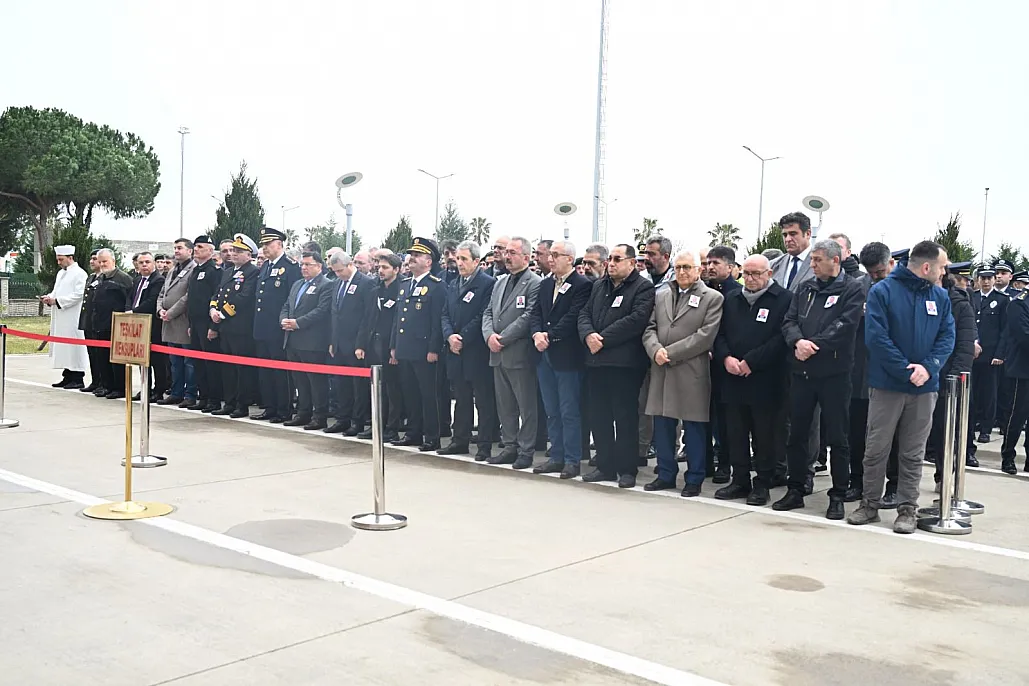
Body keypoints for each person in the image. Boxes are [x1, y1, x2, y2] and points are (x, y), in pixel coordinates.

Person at [848, 241, 955, 534]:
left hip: (924, 387)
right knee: (876, 448)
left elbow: (947, 336)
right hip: (887, 386)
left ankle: (908, 509)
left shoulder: (940, 296)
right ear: (926, 267)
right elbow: (876, 338)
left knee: (913, 452)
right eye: (941, 267)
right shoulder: (883, 291)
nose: (944, 272)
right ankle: (869, 504)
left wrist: (928, 367)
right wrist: (905, 370)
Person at [774, 239, 864, 519]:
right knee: (797, 434)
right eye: (811, 260)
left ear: (835, 261)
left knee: (838, 436)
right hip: (802, 372)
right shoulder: (805, 288)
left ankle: (838, 494)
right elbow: (789, 321)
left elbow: (845, 325)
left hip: (834, 374)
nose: (811, 265)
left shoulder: (852, 288)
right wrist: (797, 341)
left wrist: (814, 345)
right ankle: (796, 488)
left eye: (817, 260)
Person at [712, 254, 792, 505]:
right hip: (733, 377)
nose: (750, 278)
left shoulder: (783, 299)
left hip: (765, 380)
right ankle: (740, 480)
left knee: (765, 436)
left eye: (756, 274)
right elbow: (719, 333)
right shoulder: (732, 298)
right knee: (735, 432)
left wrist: (752, 362)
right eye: (746, 273)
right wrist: (726, 358)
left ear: (769, 274)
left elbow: (781, 338)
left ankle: (763, 483)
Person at [642, 250, 723, 496]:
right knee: (663, 425)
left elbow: (705, 336)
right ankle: (666, 474)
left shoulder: (712, 298)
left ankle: (694, 478)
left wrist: (670, 352)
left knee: (694, 426)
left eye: (687, 267)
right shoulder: (662, 295)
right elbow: (650, 327)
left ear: (699, 269)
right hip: (661, 369)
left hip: (690, 370)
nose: (682, 272)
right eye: (678, 267)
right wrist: (655, 349)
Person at [578, 243, 656, 488]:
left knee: (625, 417)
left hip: (624, 364)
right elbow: (584, 313)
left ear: (632, 263)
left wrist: (602, 339)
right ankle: (605, 466)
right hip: (596, 361)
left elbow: (636, 320)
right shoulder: (599, 285)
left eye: (617, 259)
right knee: (599, 415)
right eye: (610, 259)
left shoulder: (642, 287)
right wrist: (588, 335)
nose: (611, 263)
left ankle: (627, 469)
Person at [529, 240, 592, 478]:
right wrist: (536, 334)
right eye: (551, 254)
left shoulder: (582, 285)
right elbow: (536, 312)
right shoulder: (546, 284)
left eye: (556, 255)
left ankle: (572, 459)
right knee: (551, 410)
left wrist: (549, 335)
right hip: (544, 354)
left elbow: (573, 316)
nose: (551, 259)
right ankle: (556, 456)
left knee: (569, 411)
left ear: (570, 259)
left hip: (567, 356)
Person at [482, 236, 542, 468]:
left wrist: (503, 338)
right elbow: (488, 312)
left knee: (526, 406)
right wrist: (489, 335)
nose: (507, 256)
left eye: (512, 253)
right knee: (505, 405)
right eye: (506, 252)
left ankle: (526, 450)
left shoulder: (535, 282)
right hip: (497, 353)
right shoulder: (500, 282)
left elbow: (528, 315)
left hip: (518, 353)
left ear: (526, 257)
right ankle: (509, 446)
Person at [440, 241, 498, 459]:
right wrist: (449, 336)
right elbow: (445, 313)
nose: (460, 263)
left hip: (476, 350)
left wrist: (462, 337)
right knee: (461, 398)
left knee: (482, 400)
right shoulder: (454, 283)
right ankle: (460, 440)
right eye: (458, 259)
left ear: (476, 261)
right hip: (455, 350)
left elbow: (483, 315)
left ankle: (484, 444)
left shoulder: (487, 284)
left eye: (464, 259)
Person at [845, 242, 892, 502]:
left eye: (880, 272)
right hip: (859, 370)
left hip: (890, 371)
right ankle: (857, 481)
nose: (875, 277)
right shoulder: (857, 286)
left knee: (891, 434)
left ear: (890, 264)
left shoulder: (901, 289)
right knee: (857, 431)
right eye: (871, 272)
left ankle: (893, 485)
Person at [391, 237, 446, 451]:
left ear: (428, 261)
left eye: (417, 255)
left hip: (424, 350)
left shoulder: (436, 286)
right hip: (405, 348)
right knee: (410, 393)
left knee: (428, 395)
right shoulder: (405, 284)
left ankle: (432, 436)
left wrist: (433, 348)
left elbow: (437, 321)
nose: (411, 258)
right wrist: (394, 346)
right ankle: (413, 433)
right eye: (411, 255)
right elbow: (398, 319)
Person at [925, 260, 977, 486]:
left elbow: (965, 346)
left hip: (947, 377)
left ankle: (944, 476)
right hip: (919, 374)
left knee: (944, 432)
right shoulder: (917, 297)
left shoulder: (959, 304)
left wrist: (955, 377)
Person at [252, 228, 302, 423]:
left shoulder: (290, 267)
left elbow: (292, 299)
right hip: (262, 328)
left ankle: (284, 409)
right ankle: (270, 407)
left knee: (281, 372)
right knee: (265, 372)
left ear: (279, 244)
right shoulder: (265, 266)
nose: (265, 248)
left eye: (268, 244)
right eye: (263, 244)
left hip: (278, 329)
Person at [325, 252, 377, 435]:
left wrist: (360, 344)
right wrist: (332, 341)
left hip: (356, 344)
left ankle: (358, 421)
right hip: (339, 343)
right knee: (341, 384)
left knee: (358, 386)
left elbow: (367, 317)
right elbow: (334, 314)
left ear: (350, 265)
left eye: (340, 270)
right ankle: (343, 419)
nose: (338, 274)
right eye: (335, 271)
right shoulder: (337, 283)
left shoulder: (366, 283)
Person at [281, 251, 333, 430]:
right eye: (302, 264)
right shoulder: (297, 284)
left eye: (308, 264)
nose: (303, 268)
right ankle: (303, 413)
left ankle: (319, 416)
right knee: (300, 381)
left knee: (316, 382)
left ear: (319, 266)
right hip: (292, 339)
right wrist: (284, 319)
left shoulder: (326, 285)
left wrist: (298, 323)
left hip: (312, 342)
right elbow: (287, 305)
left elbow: (321, 311)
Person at [210, 233, 260, 418]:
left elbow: (245, 297)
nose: (233, 254)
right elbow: (218, 293)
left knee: (242, 369)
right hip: (225, 327)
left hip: (240, 327)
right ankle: (229, 402)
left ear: (249, 254)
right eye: (232, 250)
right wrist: (213, 310)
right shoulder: (228, 271)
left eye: (238, 251)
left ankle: (242, 404)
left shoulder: (252, 272)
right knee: (228, 368)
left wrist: (222, 313)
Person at [702, 245, 741, 483]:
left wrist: (720, 352)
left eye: (716, 263)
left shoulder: (736, 293)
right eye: (708, 263)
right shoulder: (703, 290)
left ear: (730, 267)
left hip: (724, 362)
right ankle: (705, 461)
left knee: (725, 419)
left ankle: (725, 463)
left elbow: (730, 330)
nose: (710, 267)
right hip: (701, 362)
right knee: (703, 414)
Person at [360, 253, 405, 441]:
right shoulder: (375, 290)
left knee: (392, 389)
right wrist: (361, 344)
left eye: (385, 267)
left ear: (396, 269)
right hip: (374, 344)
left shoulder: (401, 289)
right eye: (379, 267)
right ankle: (376, 425)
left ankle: (392, 427)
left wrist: (395, 348)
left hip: (390, 345)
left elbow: (399, 322)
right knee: (376, 388)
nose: (381, 271)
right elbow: (367, 319)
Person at [156, 238, 196, 407]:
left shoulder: (193, 269)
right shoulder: (173, 270)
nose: (176, 251)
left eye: (180, 248)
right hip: (169, 322)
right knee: (175, 362)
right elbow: (162, 293)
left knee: (189, 362)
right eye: (175, 248)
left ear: (190, 251)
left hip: (183, 321)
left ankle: (190, 394)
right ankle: (176, 392)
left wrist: (171, 312)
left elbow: (188, 296)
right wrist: (160, 309)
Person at [185, 236, 223, 413]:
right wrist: (191, 324)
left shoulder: (214, 271)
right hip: (196, 323)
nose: (196, 249)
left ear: (210, 250)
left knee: (211, 364)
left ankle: (214, 400)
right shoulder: (195, 270)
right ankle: (204, 396)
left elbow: (216, 298)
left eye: (200, 247)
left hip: (208, 323)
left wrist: (213, 327)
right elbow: (193, 300)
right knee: (198, 363)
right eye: (195, 246)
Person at [43, 245, 89, 389]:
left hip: (73, 315)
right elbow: (56, 291)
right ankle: (67, 375)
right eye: (57, 259)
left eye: (61, 259)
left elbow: (79, 294)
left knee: (74, 346)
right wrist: (49, 297)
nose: (58, 262)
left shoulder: (80, 274)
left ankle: (77, 377)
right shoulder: (61, 273)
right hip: (61, 315)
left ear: (70, 258)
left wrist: (58, 301)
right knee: (63, 346)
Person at [90, 249, 133, 398]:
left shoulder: (123, 278)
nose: (102, 264)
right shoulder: (101, 277)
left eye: (105, 261)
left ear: (113, 261)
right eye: (100, 262)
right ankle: (106, 385)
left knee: (117, 359)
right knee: (102, 357)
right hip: (100, 323)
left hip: (116, 324)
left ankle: (120, 388)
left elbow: (128, 299)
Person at [971, 265, 1007, 443]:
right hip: (972, 354)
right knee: (972, 394)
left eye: (989, 278)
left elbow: (1004, 330)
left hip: (991, 355)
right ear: (978, 280)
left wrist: (1000, 354)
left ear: (994, 279)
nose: (986, 281)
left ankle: (986, 428)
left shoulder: (1002, 300)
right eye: (982, 278)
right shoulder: (972, 297)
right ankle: (972, 425)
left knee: (989, 394)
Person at [127, 252, 168, 402]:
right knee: (141, 358)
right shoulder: (138, 280)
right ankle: (145, 387)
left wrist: (134, 311)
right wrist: (128, 310)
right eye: (141, 262)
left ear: (153, 263)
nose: (144, 265)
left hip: (153, 324)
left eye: (147, 262)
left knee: (157, 360)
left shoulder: (158, 280)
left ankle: (159, 390)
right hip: (137, 324)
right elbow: (131, 298)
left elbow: (152, 301)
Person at [997, 286, 1029, 473]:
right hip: (1022, 369)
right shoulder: (1019, 303)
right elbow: (1023, 335)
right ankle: (1008, 456)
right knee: (1017, 415)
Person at [78, 249, 104, 394]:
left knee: (100, 354)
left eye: (95, 259)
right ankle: (95, 381)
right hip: (88, 320)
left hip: (98, 322)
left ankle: (102, 382)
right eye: (91, 259)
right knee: (92, 353)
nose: (91, 261)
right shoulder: (91, 277)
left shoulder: (104, 278)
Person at [770, 212, 815, 292]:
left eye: (793, 234)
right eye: (785, 235)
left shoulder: (821, 265)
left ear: (808, 234)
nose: (787, 239)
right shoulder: (773, 265)